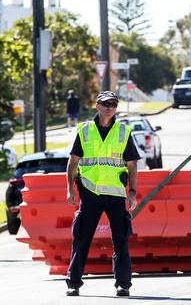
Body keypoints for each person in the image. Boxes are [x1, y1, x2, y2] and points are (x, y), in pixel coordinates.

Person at [65, 91, 140, 297]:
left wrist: (132, 192)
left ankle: (123, 284)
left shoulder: (123, 132)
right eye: (106, 103)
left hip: (116, 194)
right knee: (81, 238)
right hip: (89, 192)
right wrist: (70, 188)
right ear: (97, 106)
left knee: (121, 239)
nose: (110, 107)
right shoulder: (85, 130)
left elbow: (132, 165)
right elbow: (73, 161)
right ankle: (73, 283)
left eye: (114, 104)